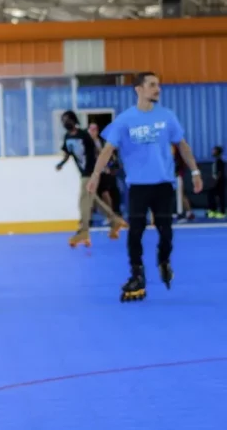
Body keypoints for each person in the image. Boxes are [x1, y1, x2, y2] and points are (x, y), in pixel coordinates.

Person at [88, 71, 202, 301]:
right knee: (135, 232)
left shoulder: (167, 116)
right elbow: (108, 149)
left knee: (166, 232)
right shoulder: (124, 119)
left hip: (163, 185)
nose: (157, 89)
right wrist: (95, 175)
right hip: (139, 187)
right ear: (138, 89)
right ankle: (137, 273)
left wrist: (196, 171)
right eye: (152, 85)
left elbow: (182, 145)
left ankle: (163, 260)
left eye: (158, 85)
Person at [56, 111, 127, 246]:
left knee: (83, 201)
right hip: (83, 173)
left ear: (73, 120)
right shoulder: (67, 137)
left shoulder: (84, 135)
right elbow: (67, 153)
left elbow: (97, 151)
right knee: (93, 201)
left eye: (67, 119)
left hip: (90, 173)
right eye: (63, 120)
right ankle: (115, 220)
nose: (65, 122)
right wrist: (61, 164)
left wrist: (107, 164)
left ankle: (83, 231)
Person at [209, 146, 225, 218]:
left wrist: (215, 181)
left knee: (221, 196)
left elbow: (220, 172)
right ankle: (213, 210)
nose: (212, 152)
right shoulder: (215, 161)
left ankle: (222, 212)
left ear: (218, 152)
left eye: (214, 150)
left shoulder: (220, 161)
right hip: (215, 181)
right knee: (212, 195)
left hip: (220, 182)